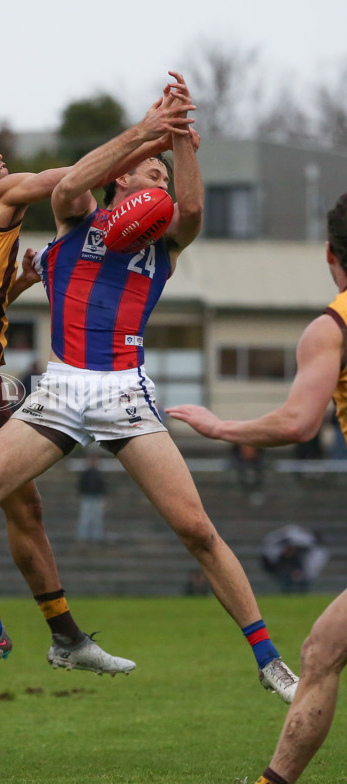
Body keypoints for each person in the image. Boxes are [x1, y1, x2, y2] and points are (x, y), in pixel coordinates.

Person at [0, 72, 298, 708]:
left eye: (165, 174)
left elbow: (190, 212)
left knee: (197, 530)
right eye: (150, 172)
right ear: (123, 180)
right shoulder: (75, 215)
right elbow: (75, 181)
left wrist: (181, 137)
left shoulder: (163, 245)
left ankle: (270, 659)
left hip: (123, 391)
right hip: (59, 388)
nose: (159, 180)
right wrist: (146, 131)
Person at [0, 101, 193, 729]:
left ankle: (66, 638)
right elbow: (66, 182)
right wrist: (147, 142)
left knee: (25, 507)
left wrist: (11, 292)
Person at [166, 192, 347, 784]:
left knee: (321, 654)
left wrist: (222, 426)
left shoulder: (333, 324)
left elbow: (298, 422)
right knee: (325, 649)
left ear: (330, 254)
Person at [76, 455, 107, 543]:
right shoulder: (85, 474)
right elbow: (81, 485)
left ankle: (97, 536)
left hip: (96, 497)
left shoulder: (98, 473)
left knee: (97, 518)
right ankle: (83, 536)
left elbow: (102, 486)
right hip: (87, 497)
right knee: (85, 518)